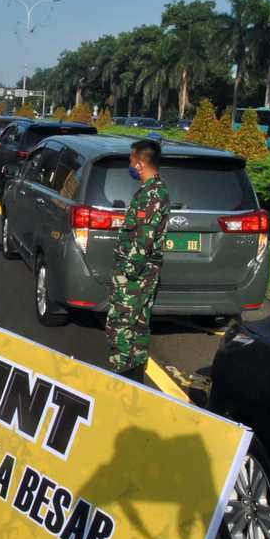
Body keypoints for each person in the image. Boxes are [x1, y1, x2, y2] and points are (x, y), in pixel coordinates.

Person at [105, 139, 171, 382]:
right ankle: (134, 378)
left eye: (132, 160)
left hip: (136, 275)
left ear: (141, 164)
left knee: (121, 325)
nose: (130, 165)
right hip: (143, 273)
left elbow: (144, 239)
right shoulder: (151, 191)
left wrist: (127, 272)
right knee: (139, 325)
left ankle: (120, 377)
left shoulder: (153, 195)